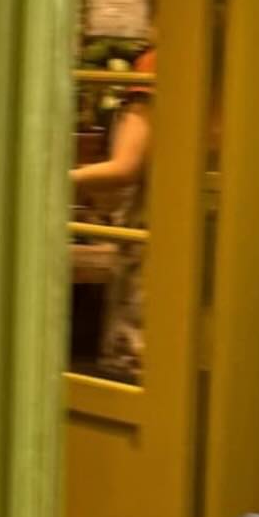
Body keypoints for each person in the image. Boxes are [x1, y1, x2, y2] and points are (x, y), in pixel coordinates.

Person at [71, 45, 154, 383]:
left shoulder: (160, 62)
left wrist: (59, 180)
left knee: (134, 365)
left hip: (152, 232)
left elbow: (126, 166)